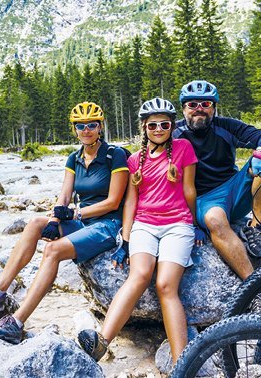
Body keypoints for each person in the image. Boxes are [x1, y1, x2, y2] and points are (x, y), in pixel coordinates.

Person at [0, 101, 130, 344]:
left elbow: (114, 202)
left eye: (92, 125)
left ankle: (16, 322)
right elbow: (64, 196)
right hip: (81, 223)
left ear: (100, 127)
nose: (86, 130)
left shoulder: (115, 155)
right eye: (80, 126)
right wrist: (53, 218)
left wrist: (75, 214)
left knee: (52, 250)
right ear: (74, 129)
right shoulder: (74, 158)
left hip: (106, 225)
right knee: (34, 224)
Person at [76, 98, 199, 363]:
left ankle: (182, 364)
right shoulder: (134, 160)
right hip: (144, 224)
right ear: (144, 127)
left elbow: (189, 190)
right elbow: (131, 201)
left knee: (166, 285)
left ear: (172, 126)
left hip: (177, 225)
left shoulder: (183, 148)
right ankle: (102, 342)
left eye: (164, 124)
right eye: (152, 125)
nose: (158, 129)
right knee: (139, 275)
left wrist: (197, 224)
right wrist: (127, 238)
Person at [173, 80, 261, 279]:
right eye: (193, 104)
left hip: (234, 189)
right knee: (215, 220)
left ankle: (255, 230)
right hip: (203, 199)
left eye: (206, 104)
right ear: (183, 108)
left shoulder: (225, 126)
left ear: (214, 108)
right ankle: (253, 286)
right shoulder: (174, 134)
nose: (199, 109)